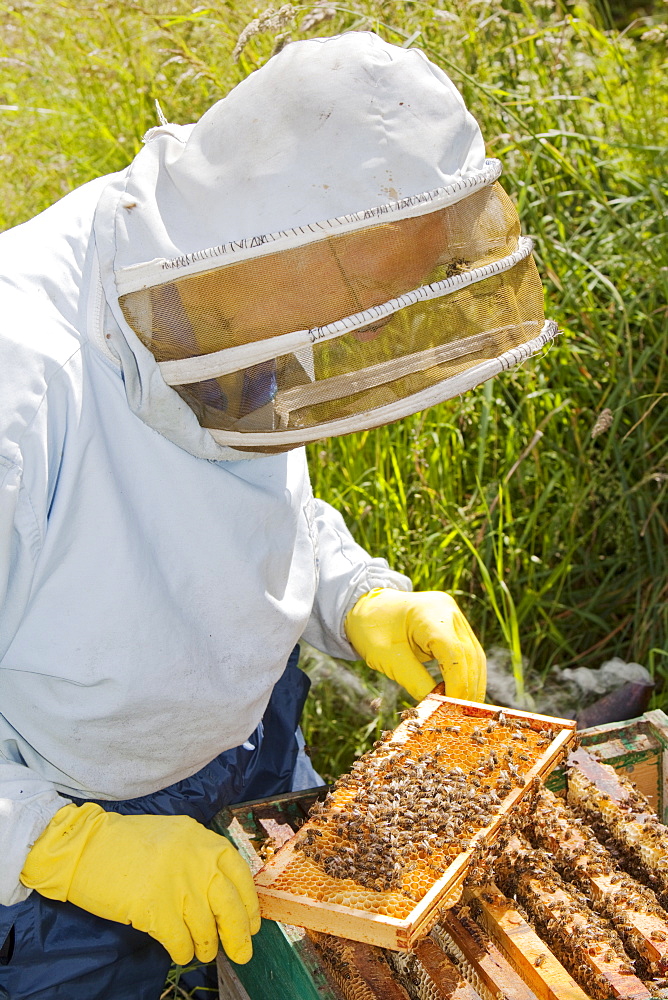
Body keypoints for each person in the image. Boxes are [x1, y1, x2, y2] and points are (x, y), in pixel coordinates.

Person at [0, 30, 555, 1000]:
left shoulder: (231, 289)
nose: (376, 329)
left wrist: (355, 592)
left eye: (405, 293)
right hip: (60, 827)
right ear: (274, 239)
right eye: (369, 293)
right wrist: (59, 843)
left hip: (254, 742)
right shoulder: (22, 375)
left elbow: (246, 492)